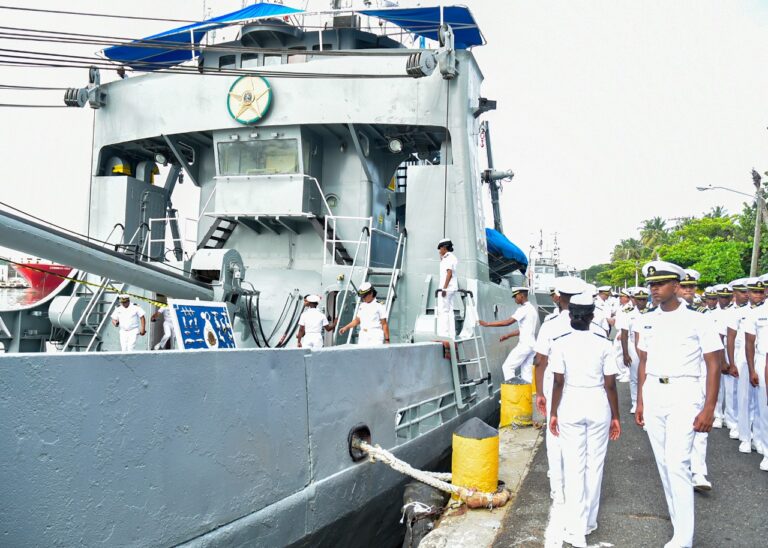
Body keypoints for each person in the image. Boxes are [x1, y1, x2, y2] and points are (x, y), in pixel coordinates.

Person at [635, 261, 721, 548]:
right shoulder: (648, 319)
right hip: (654, 392)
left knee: (677, 463)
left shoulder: (699, 320)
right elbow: (644, 362)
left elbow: (713, 363)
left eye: (660, 284)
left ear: (676, 286)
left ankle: (684, 537)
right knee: (663, 464)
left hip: (685, 392)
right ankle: (679, 527)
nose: (654, 289)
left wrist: (709, 407)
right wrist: (641, 402)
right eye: (651, 284)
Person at [549, 292, 621, 548]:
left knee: (574, 465)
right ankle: (589, 522)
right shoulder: (604, 343)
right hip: (598, 403)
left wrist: (554, 412)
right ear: (592, 317)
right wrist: (616, 416)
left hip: (570, 402)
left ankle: (576, 528)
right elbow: (610, 384)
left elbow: (558, 381)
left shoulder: (560, 343)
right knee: (595, 465)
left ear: (570, 316)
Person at [532, 276, 586, 504]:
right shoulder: (590, 322)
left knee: (554, 435)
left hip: (554, 384)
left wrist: (539, 393)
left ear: (559, 297)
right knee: (579, 435)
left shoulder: (551, 324)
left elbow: (539, 360)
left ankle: (558, 488)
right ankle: (577, 485)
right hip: (583, 385)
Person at [676, 268, 717, 492]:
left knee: (699, 422)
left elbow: (712, 354)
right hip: (672, 377)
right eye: (684, 286)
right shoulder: (661, 313)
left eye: (691, 287)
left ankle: (698, 471)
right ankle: (680, 468)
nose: (689, 291)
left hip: (698, 373)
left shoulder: (704, 314)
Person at [479, 286, 539, 382]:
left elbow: (507, 322)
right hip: (532, 345)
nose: (514, 298)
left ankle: (514, 395)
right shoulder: (532, 309)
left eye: (515, 296)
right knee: (526, 374)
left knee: (507, 367)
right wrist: (507, 335)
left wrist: (487, 324)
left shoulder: (523, 309)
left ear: (521, 295)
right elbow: (523, 330)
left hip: (524, 345)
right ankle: (526, 396)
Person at [742, 274, 768, 470]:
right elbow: (750, 343)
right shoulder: (756, 313)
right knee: (764, 406)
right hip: (762, 359)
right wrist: (752, 369)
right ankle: (766, 451)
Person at [436, 238, 458, 338]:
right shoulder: (451, 257)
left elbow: (449, 273)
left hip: (447, 288)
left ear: (444, 248)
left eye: (440, 248)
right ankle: (451, 334)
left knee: (443, 310)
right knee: (450, 311)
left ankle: (444, 334)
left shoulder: (448, 258)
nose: (439, 251)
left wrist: (444, 288)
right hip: (451, 288)